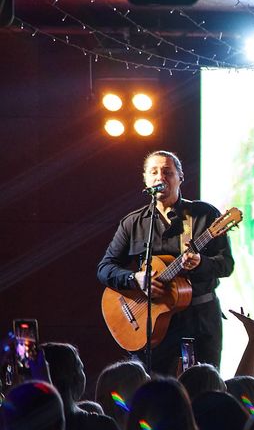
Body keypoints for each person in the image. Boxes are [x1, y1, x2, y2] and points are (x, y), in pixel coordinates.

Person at [97, 150, 233, 374]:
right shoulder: (133, 223)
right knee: (153, 387)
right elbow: (105, 269)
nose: (160, 177)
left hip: (199, 320)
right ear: (145, 179)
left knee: (202, 386)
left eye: (167, 172)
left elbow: (226, 265)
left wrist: (200, 263)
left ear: (180, 177)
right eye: (154, 172)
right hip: (151, 325)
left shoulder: (204, 214)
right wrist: (135, 279)